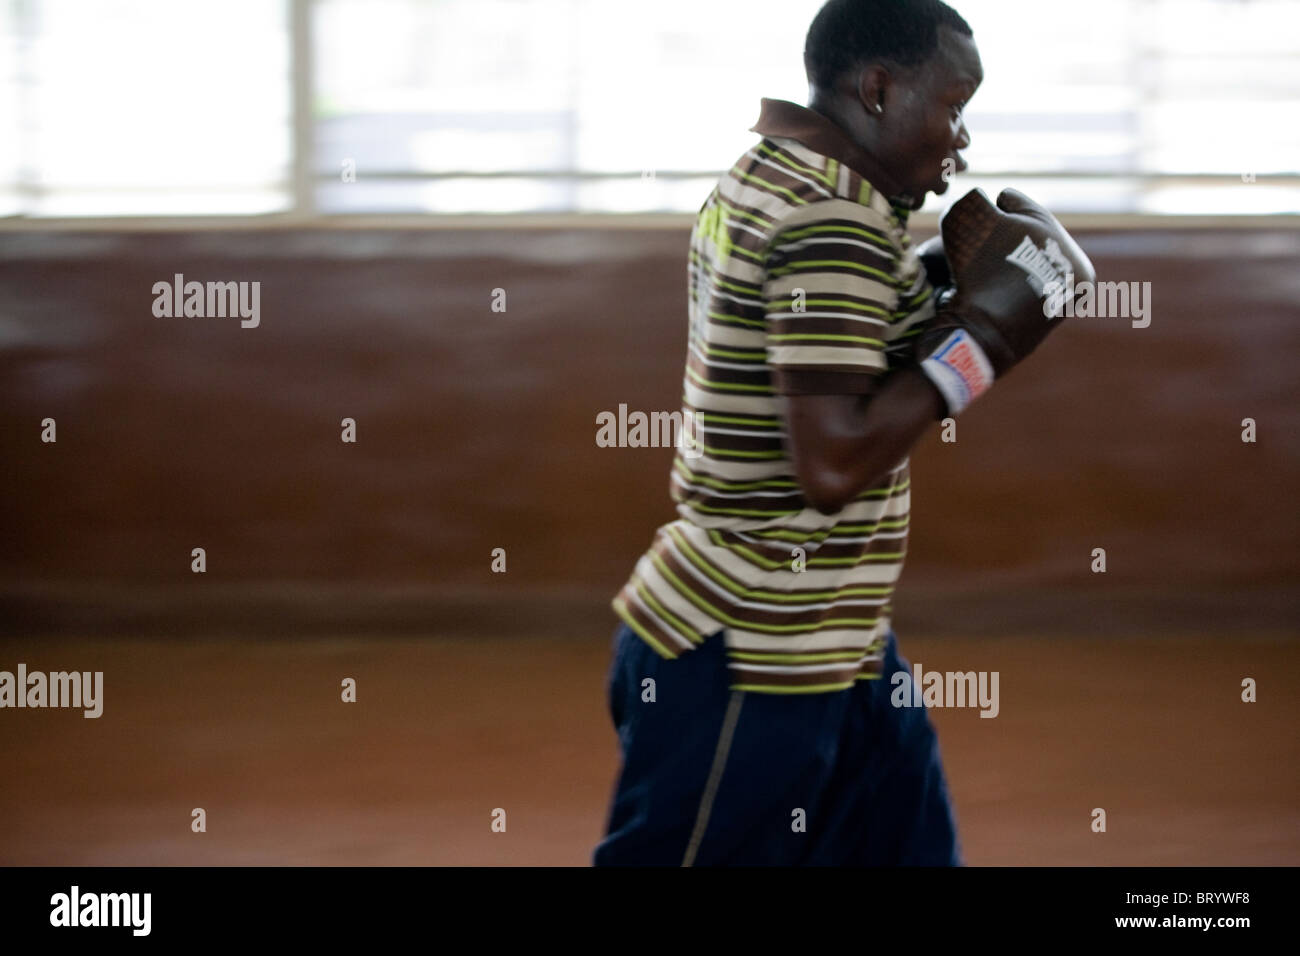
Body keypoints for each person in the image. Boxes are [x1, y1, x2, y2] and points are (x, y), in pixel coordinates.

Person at [594, 0, 1091, 866]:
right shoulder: (835, 219)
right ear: (877, 88)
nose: (961, 138)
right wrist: (984, 342)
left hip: (839, 642)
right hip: (754, 649)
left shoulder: (774, 173)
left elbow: (825, 338)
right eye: (953, 104)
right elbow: (832, 461)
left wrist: (935, 289)